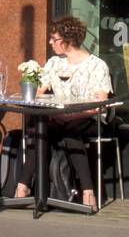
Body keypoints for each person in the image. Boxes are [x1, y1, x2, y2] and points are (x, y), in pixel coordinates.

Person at [15, 16, 112, 210]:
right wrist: (30, 80)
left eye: (54, 38)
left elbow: (99, 106)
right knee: (41, 130)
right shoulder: (54, 63)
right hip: (59, 117)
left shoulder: (97, 65)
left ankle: (88, 192)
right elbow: (38, 92)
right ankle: (22, 188)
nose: (50, 42)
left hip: (89, 118)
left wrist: (69, 115)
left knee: (70, 132)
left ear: (68, 40)